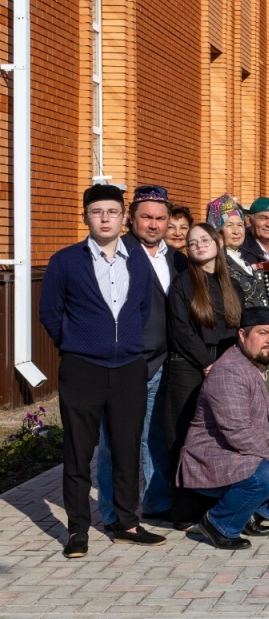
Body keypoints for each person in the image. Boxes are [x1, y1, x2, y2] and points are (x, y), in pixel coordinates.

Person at [40, 184, 166, 558]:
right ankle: (78, 530)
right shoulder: (66, 260)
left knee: (126, 450)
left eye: (112, 211)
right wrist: (78, 344)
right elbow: (50, 312)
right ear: (86, 217)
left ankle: (126, 523)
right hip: (83, 369)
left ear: (123, 216)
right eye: (97, 212)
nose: (105, 218)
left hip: (128, 368)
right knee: (79, 453)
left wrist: (125, 343)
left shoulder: (138, 259)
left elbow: (141, 310)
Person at [177, 308, 269, 549]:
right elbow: (238, 432)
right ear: (243, 335)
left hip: (261, 454)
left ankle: (253, 515)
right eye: (262, 333)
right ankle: (218, 523)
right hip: (217, 457)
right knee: (267, 475)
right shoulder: (229, 371)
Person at [98, 185, 186, 530]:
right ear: (130, 218)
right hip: (125, 364)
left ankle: (156, 503)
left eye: (160, 218)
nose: (153, 224)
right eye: (146, 217)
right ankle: (111, 513)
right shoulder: (114, 254)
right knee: (114, 443)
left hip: (166, 362)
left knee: (156, 436)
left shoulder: (176, 257)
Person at [165, 223, 243, 530]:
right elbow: (180, 330)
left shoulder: (232, 285)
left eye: (203, 240)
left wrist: (224, 364)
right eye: (191, 242)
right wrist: (206, 362)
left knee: (219, 435)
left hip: (225, 365)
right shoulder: (183, 283)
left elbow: (238, 330)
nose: (198, 245)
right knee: (185, 437)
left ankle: (216, 504)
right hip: (189, 366)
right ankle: (185, 511)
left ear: (217, 242)